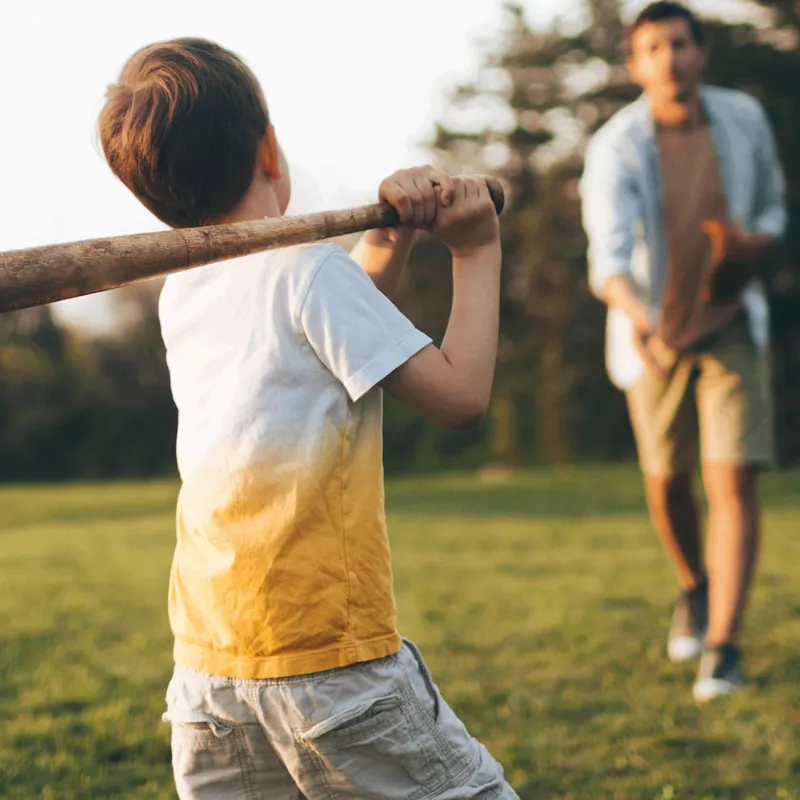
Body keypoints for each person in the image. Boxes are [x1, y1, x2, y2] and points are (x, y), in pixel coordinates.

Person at [98, 37, 519, 798]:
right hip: (331, 665)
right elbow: (460, 397)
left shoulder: (185, 294)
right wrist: (476, 248)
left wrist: (389, 236)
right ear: (269, 149)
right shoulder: (312, 273)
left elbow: (320, 344)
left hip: (210, 676)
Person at [580, 1, 786, 702]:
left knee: (733, 479)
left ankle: (723, 646)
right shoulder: (616, 145)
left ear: (701, 54)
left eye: (679, 44)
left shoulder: (744, 120)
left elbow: (773, 213)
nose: (668, 58)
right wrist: (640, 320)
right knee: (668, 479)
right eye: (653, 48)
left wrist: (750, 246)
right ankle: (693, 587)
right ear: (635, 65)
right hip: (653, 333)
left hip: (731, 322)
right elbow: (606, 255)